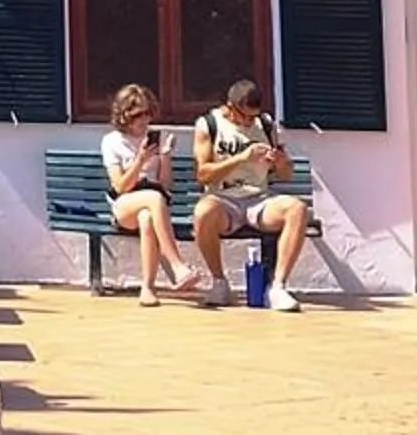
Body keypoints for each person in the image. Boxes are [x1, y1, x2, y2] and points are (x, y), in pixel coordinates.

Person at [193, 78, 309, 311]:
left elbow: (286, 174)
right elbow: (204, 175)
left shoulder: (265, 125)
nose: (248, 122)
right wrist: (242, 158)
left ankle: (278, 287)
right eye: (244, 117)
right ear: (229, 106)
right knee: (203, 211)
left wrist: (280, 161)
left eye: (252, 117)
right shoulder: (209, 124)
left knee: (297, 209)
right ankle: (219, 282)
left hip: (259, 199)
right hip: (223, 199)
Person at [99, 82, 202, 305]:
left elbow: (164, 186)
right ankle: (177, 267)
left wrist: (165, 156)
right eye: (138, 114)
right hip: (124, 204)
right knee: (152, 199)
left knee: (147, 218)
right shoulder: (112, 142)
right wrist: (140, 160)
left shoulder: (156, 137)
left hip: (152, 205)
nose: (144, 120)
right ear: (124, 114)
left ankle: (147, 288)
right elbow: (120, 187)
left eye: (148, 113)